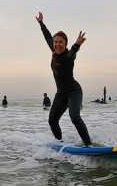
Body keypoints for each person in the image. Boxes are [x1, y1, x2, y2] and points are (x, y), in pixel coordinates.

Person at [36, 12, 92, 146]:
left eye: (61, 42)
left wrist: (77, 45)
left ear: (65, 44)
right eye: (55, 42)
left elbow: (72, 53)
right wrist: (41, 23)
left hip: (74, 91)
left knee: (74, 117)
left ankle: (88, 145)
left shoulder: (68, 56)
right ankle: (60, 143)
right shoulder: (53, 49)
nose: (57, 44)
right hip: (61, 93)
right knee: (52, 120)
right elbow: (47, 36)